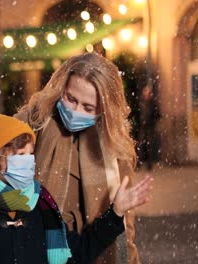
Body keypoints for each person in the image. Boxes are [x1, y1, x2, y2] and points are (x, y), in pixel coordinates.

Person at [0, 110, 152, 264]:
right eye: (19, 155)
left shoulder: (41, 205)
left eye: (30, 154)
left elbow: (77, 252)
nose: (28, 162)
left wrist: (116, 213)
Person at [15, 52, 143, 263]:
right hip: (38, 245)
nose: (75, 111)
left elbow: (125, 225)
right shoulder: (36, 118)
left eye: (88, 107)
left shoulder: (114, 145)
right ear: (61, 88)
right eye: (71, 99)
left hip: (90, 250)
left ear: (104, 109)